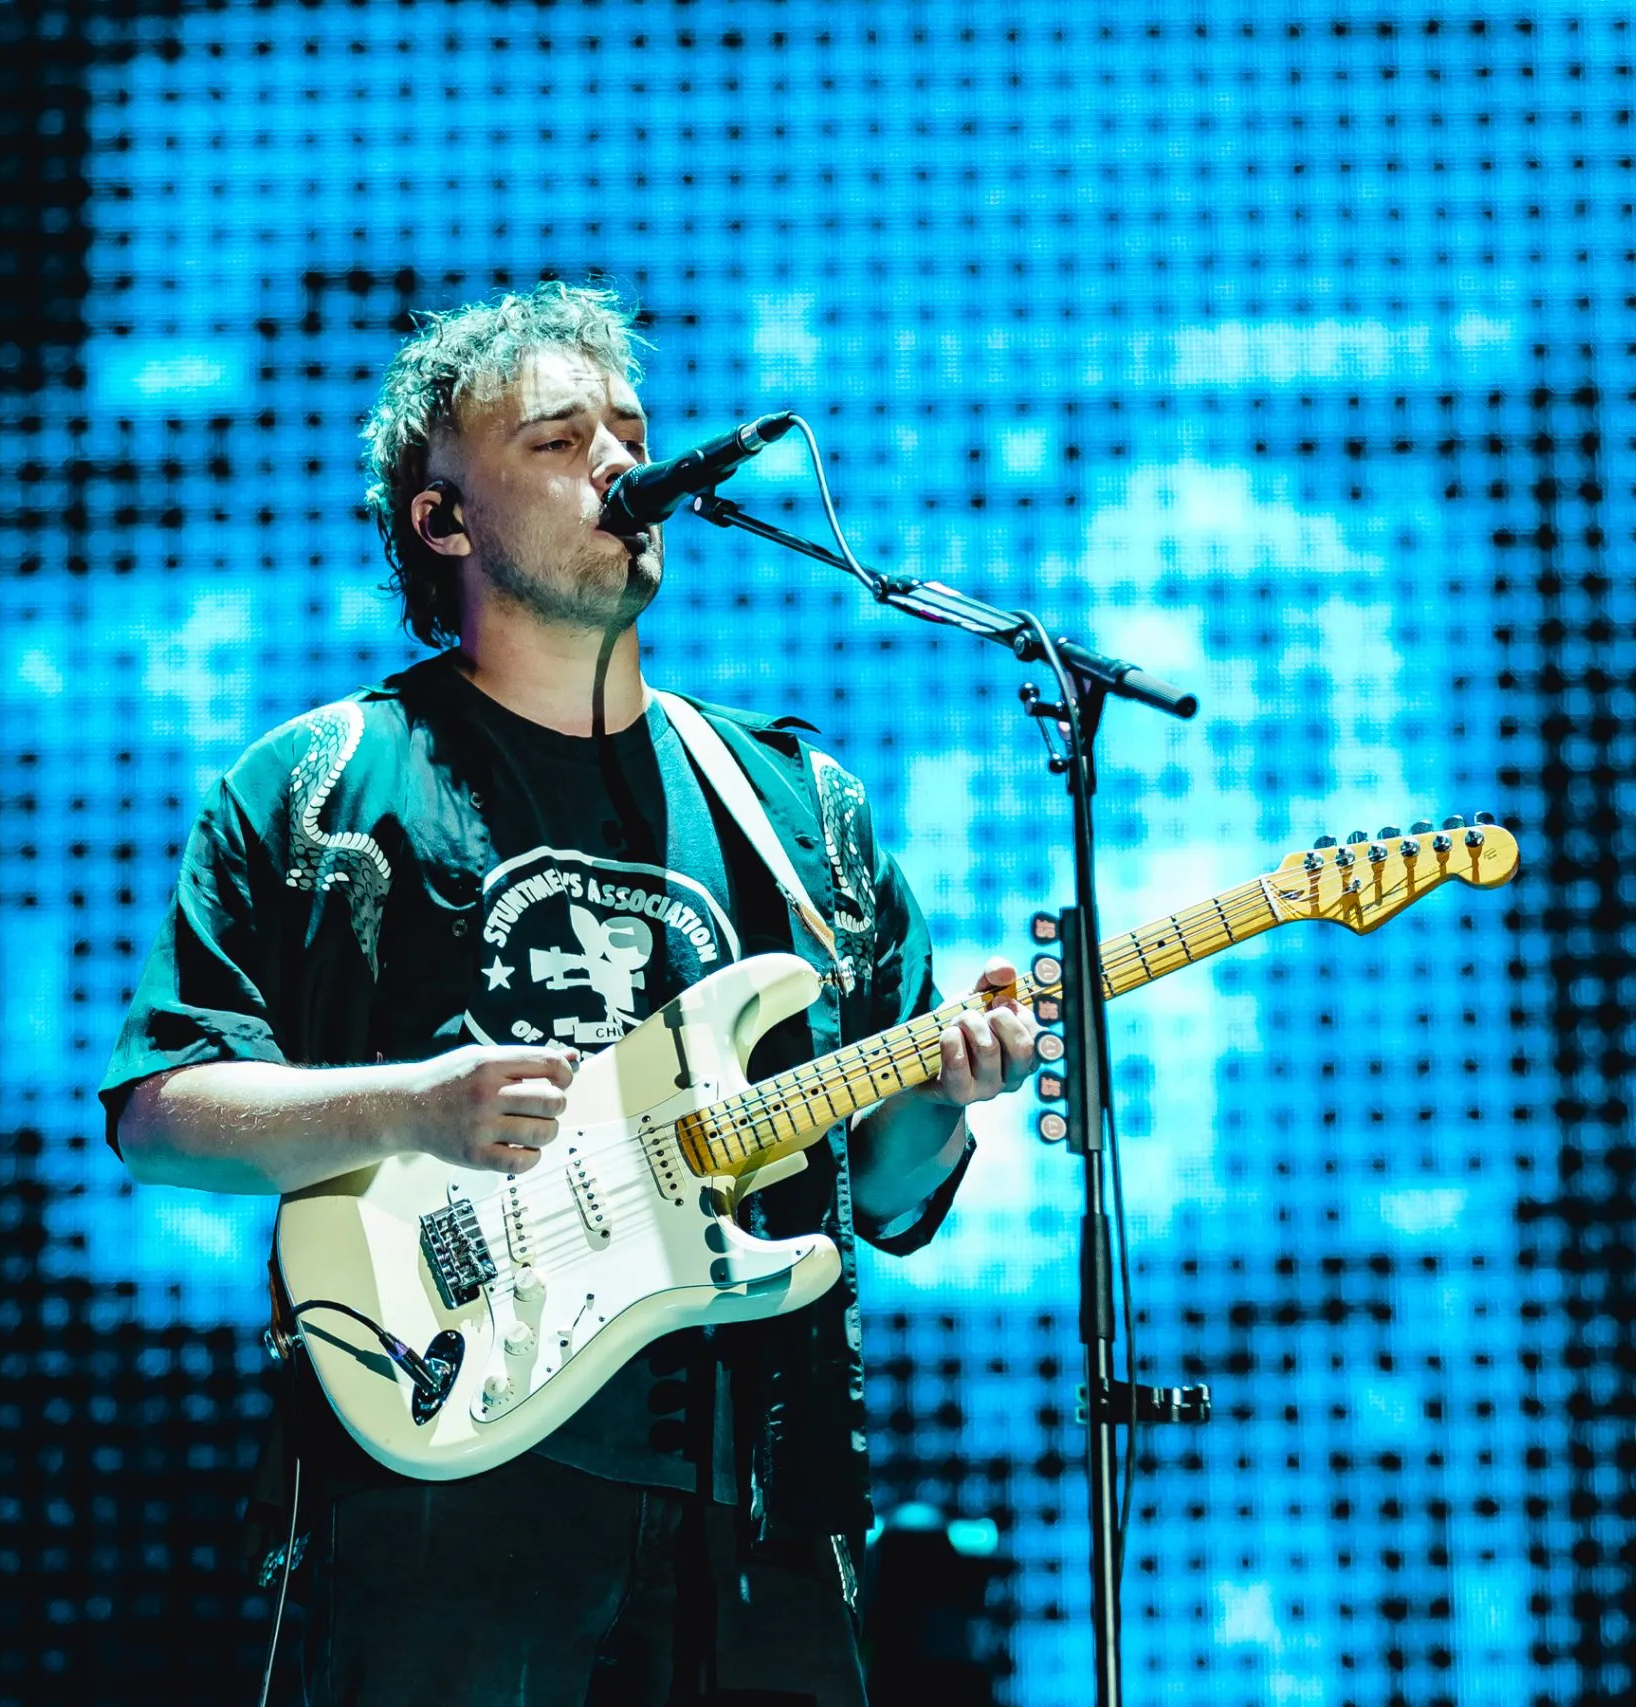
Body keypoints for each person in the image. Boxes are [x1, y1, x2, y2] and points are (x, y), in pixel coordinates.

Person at [97, 281, 1036, 1706]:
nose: (616, 459)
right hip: (445, 1480)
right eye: (556, 438)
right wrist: (417, 1103)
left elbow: (891, 1200)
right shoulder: (324, 785)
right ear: (442, 518)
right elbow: (164, 1109)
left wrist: (946, 1087)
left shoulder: (802, 806)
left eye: (630, 429)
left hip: (755, 1501)